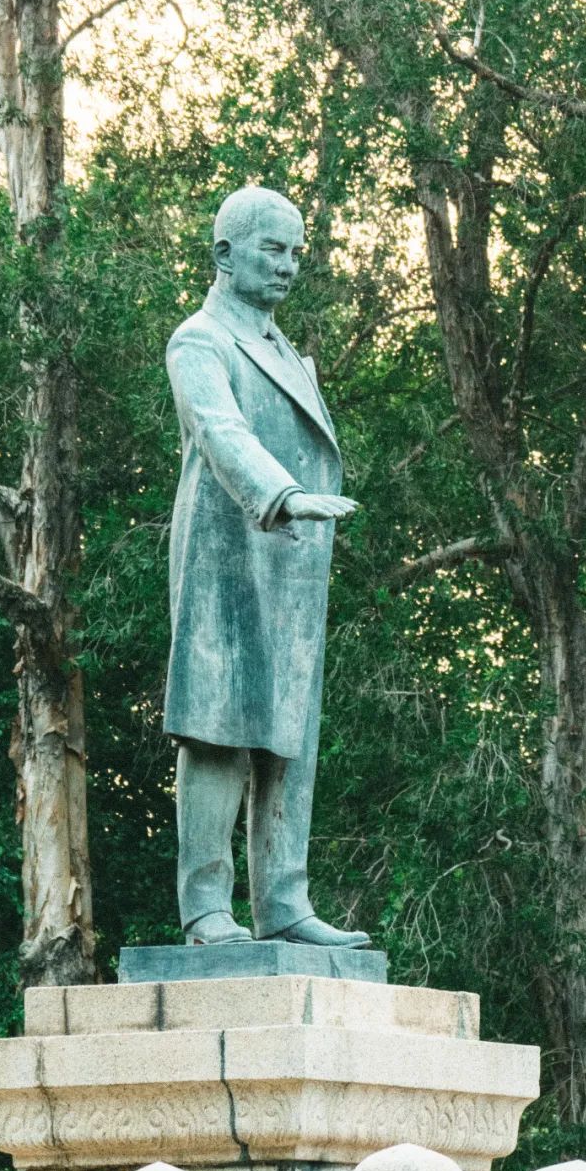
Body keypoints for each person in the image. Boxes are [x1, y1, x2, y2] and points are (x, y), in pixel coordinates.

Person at [163, 185, 370, 949]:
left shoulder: (285, 350)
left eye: (296, 253)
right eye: (272, 249)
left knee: (289, 735)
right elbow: (221, 432)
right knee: (217, 729)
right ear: (224, 252)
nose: (288, 266)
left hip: (288, 570)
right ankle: (207, 911)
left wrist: (303, 512)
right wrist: (285, 494)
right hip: (224, 558)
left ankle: (284, 902)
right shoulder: (200, 340)